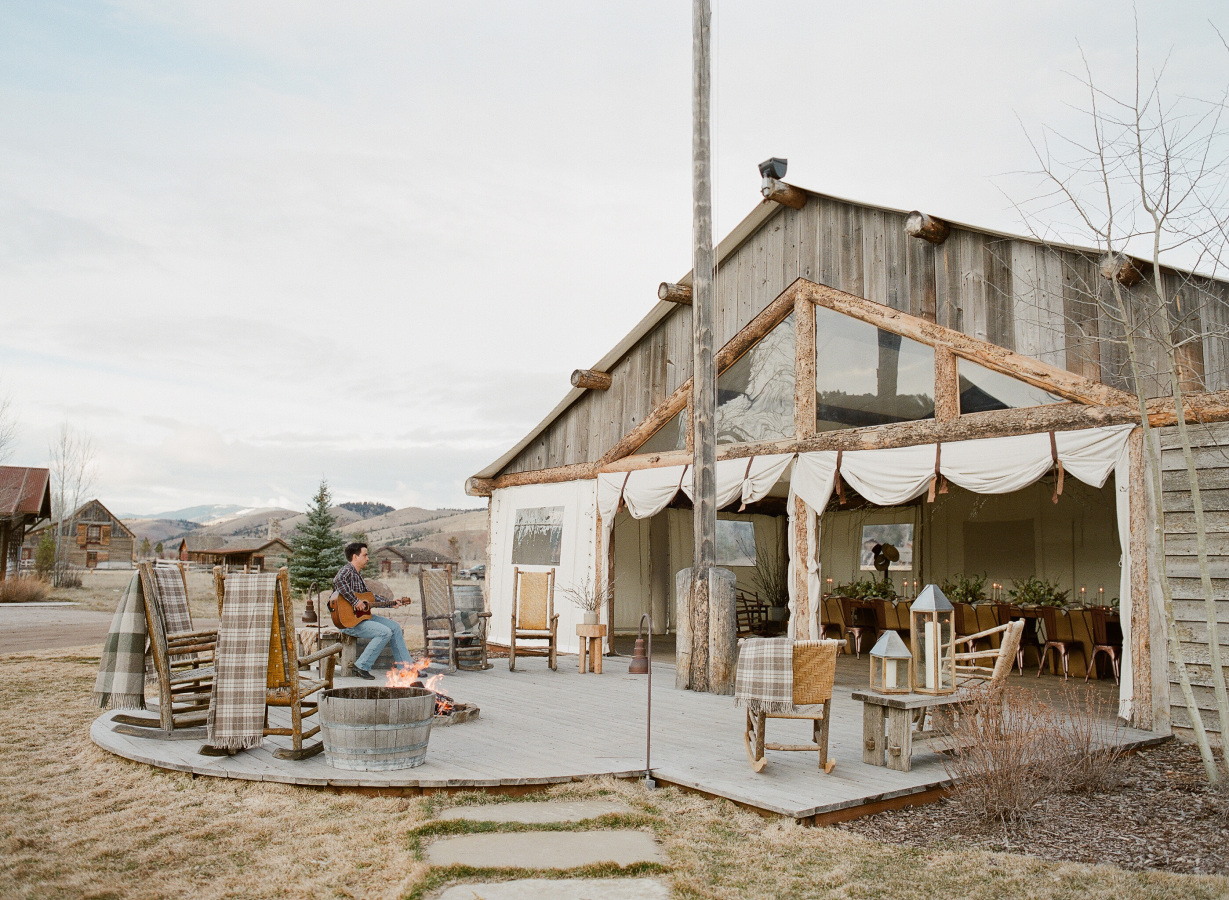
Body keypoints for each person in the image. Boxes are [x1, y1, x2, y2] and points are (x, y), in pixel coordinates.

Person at [333, 541, 411, 679]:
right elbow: (338, 581)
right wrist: (355, 601)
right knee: (384, 632)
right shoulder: (346, 571)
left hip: (362, 617)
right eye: (365, 555)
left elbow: (370, 598)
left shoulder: (358, 576)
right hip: (348, 622)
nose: (368, 558)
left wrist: (391, 603)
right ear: (355, 557)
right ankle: (362, 666)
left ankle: (407, 668)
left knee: (395, 627)